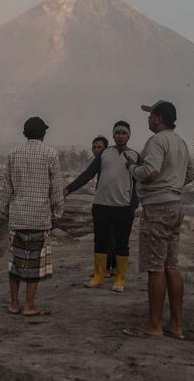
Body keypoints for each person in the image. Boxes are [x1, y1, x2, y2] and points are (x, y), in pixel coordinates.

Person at [123, 100, 194, 340]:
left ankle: (154, 325)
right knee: (171, 265)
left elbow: (151, 172)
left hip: (157, 207)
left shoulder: (157, 141)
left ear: (158, 118)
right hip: (175, 205)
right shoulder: (180, 142)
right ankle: (176, 325)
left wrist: (133, 169)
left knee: (155, 267)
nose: (147, 119)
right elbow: (192, 173)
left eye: (150, 115)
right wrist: (173, 185)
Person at [64, 125, 139, 292]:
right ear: (113, 135)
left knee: (122, 244)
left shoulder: (135, 155)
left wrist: (133, 204)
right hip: (101, 205)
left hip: (123, 207)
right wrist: (68, 189)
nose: (120, 136)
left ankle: (119, 279)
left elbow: (138, 183)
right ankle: (98, 276)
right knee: (100, 241)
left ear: (129, 136)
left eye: (123, 133)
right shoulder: (105, 153)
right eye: (117, 133)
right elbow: (88, 174)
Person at [3, 116, 64, 316]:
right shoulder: (50, 154)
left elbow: (7, 187)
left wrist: (5, 210)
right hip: (40, 217)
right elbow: (56, 189)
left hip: (18, 215)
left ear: (24, 134)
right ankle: (29, 305)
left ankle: (14, 304)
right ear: (43, 133)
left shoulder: (13, 153)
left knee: (16, 262)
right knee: (35, 263)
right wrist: (57, 212)